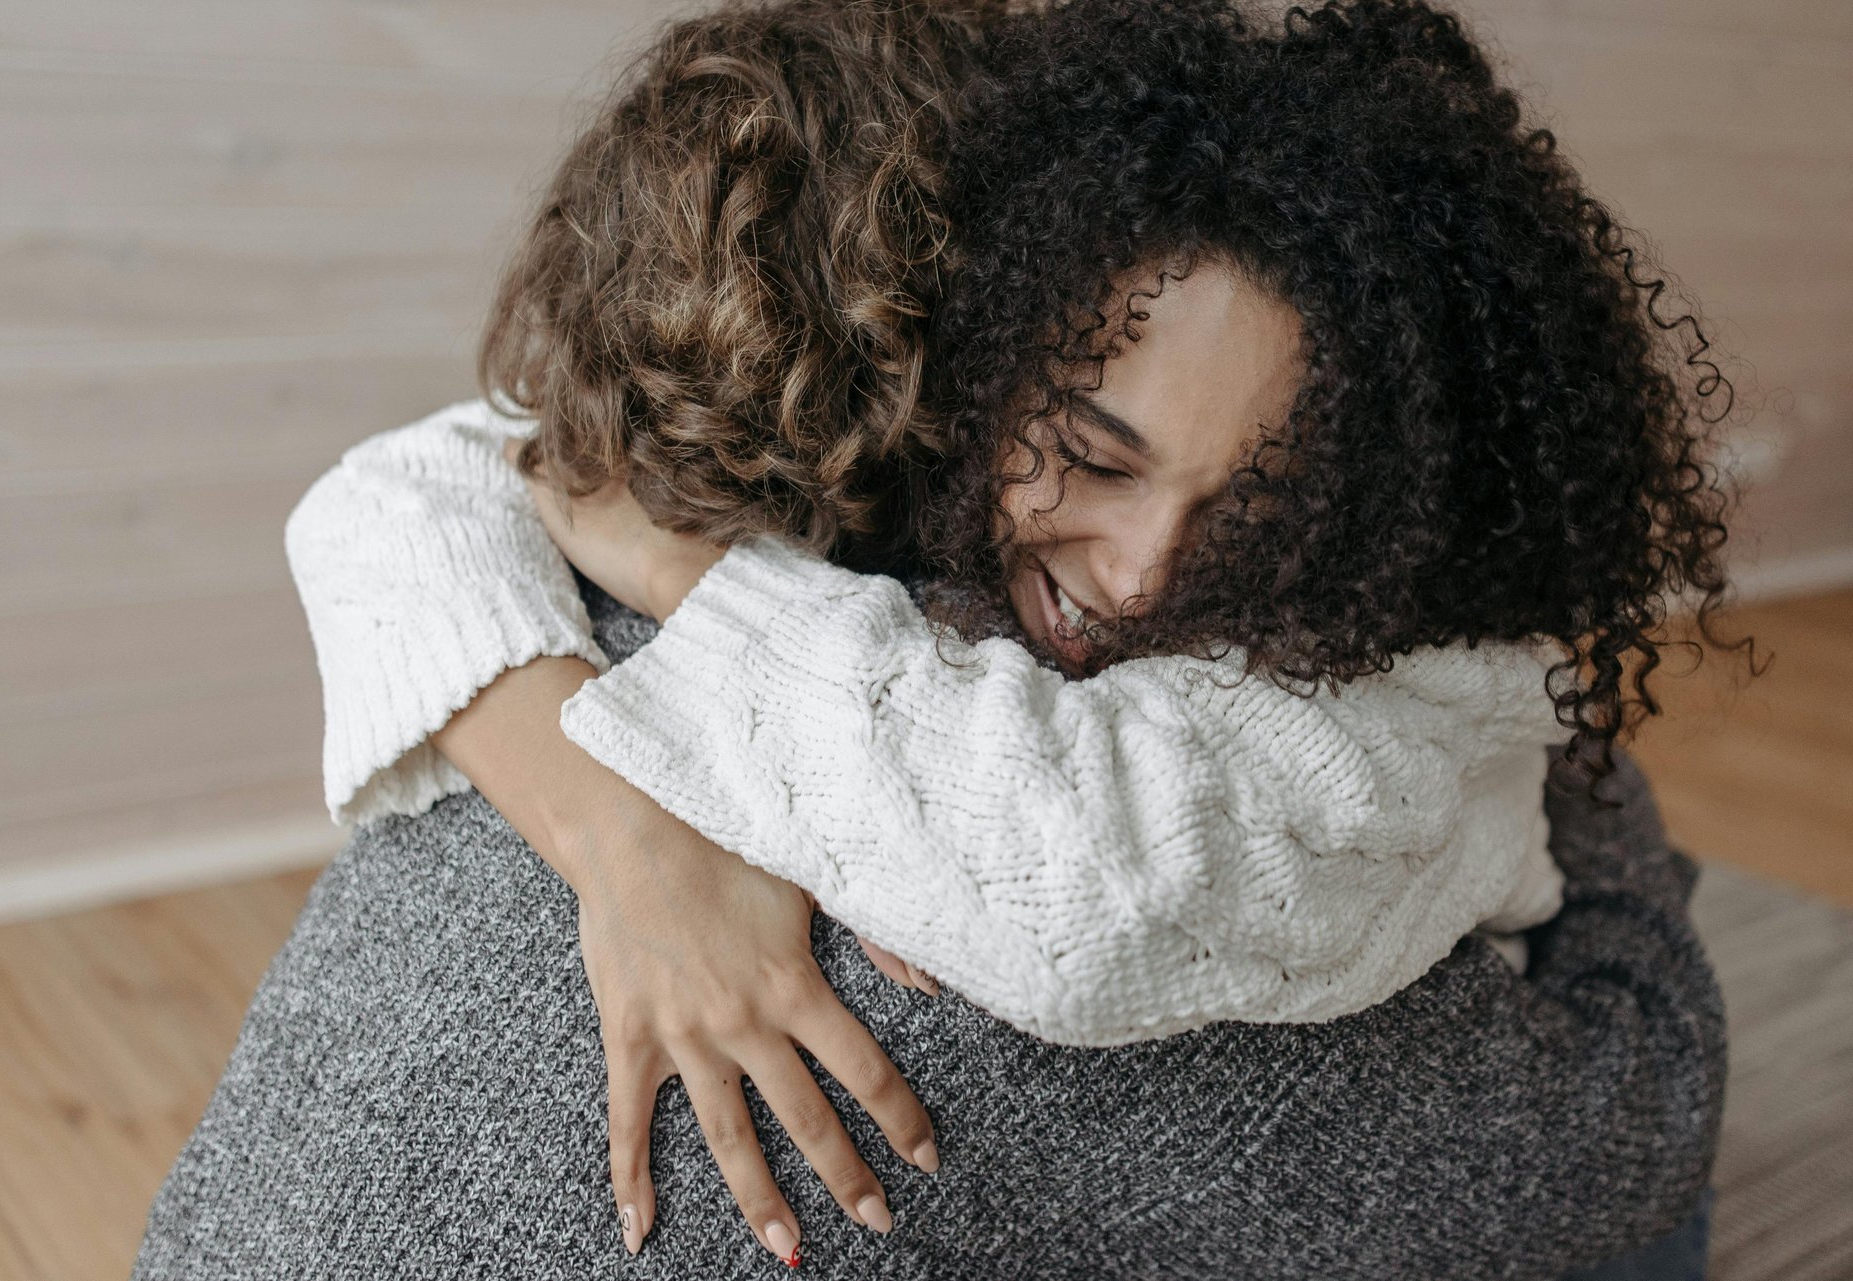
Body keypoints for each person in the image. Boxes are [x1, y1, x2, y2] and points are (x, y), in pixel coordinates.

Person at [135, 1, 1734, 1276]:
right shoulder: (1092, 874)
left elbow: (450, 468)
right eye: (1093, 453)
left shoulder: (633, 502)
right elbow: (1637, 1123)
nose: (1146, 576)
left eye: (1254, 514)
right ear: (977, 342)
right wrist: (624, 835)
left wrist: (628, 714)